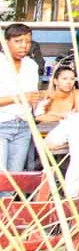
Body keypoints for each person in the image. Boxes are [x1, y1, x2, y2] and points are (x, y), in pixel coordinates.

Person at [0, 23, 43, 173]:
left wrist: (41, 99)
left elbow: (32, 98)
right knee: (2, 177)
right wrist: (19, 98)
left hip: (23, 126)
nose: (24, 46)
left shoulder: (31, 65)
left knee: (15, 178)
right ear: (6, 42)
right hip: (1, 123)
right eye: (18, 41)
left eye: (28, 41)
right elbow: (24, 97)